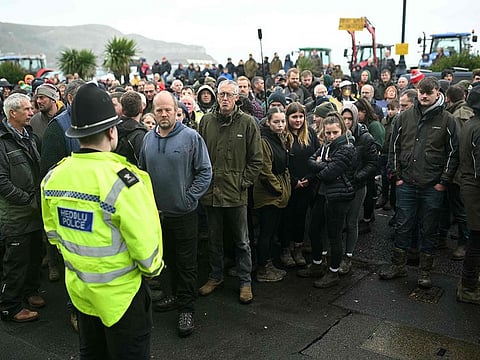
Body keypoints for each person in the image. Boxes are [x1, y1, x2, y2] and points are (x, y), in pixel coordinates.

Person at [41, 83, 163, 359]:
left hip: (82, 295)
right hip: (123, 300)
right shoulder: (126, 181)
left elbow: (53, 235)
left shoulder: (53, 177)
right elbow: (149, 255)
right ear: (112, 131)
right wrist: (153, 270)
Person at [139, 91, 211, 337]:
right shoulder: (148, 139)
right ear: (153, 111)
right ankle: (174, 297)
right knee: (166, 260)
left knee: (186, 264)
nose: (163, 114)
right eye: (159, 110)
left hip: (184, 214)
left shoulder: (191, 137)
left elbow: (205, 172)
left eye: (168, 109)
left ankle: (186, 308)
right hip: (158, 216)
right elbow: (141, 173)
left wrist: (188, 198)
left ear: (176, 110)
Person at [380, 77, 459, 289]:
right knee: (403, 224)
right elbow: (394, 148)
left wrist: (443, 182)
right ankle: (398, 265)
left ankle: (425, 271)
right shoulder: (404, 117)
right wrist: (396, 176)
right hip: (406, 183)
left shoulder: (447, 120)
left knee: (429, 228)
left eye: (428, 92)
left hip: (432, 186)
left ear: (437, 93)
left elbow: (454, 153)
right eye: (421, 92)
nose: (424, 96)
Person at [198, 80, 263, 304]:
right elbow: (199, 157)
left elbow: (256, 159)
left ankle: (245, 281)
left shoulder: (248, 123)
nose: (225, 98)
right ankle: (215, 276)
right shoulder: (206, 121)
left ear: (237, 97)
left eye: (229, 95)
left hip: (236, 193)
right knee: (214, 238)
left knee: (242, 241)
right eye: (221, 94)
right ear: (216, 96)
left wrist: (243, 182)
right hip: (211, 191)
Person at [0, 93, 44, 323]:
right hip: (16, 215)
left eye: (31, 108)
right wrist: (27, 199)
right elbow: (2, 182)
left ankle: (31, 292)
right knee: (15, 262)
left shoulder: (30, 136)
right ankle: (10, 306)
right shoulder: (2, 142)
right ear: (12, 113)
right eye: (27, 109)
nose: (31, 112)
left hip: (34, 211)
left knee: (35, 255)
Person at [304, 112, 356, 288]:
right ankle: (317, 264)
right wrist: (323, 163)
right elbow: (310, 160)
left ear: (342, 130)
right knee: (313, 228)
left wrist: (321, 164)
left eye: (335, 132)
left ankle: (333, 272)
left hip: (338, 196)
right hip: (322, 194)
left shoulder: (347, 148)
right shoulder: (326, 146)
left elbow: (328, 173)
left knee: (334, 236)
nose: (331, 136)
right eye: (328, 133)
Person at [253, 107, 291, 282]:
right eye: (276, 121)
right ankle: (263, 268)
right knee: (266, 232)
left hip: (277, 190)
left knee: (271, 230)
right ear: (268, 122)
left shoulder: (279, 138)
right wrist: (279, 190)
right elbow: (264, 171)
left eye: (282, 121)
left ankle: (267, 263)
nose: (280, 125)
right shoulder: (264, 141)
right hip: (268, 194)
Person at [280, 102, 319, 268]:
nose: (298, 120)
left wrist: (309, 178)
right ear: (288, 118)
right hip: (290, 185)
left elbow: (318, 156)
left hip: (307, 183)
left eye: (300, 117)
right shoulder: (283, 136)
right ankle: (285, 249)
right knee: (286, 218)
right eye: (294, 117)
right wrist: (294, 180)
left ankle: (298, 247)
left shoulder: (310, 133)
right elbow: (282, 162)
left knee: (301, 217)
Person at [339, 103, 377, 274]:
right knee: (337, 223)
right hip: (338, 185)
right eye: (343, 118)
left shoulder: (365, 137)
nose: (346, 122)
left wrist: (358, 176)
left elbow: (373, 163)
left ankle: (348, 257)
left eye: (349, 118)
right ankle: (336, 255)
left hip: (357, 186)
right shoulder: (336, 134)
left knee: (351, 221)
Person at [456, 85, 480, 304]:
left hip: (469, 186)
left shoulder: (471, 123)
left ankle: (469, 284)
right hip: (475, 190)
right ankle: (469, 287)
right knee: (476, 240)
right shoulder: (478, 128)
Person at [115, 91, 147, 166]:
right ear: (141, 109)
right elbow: (142, 163)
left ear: (122, 109)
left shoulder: (112, 129)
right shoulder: (140, 134)